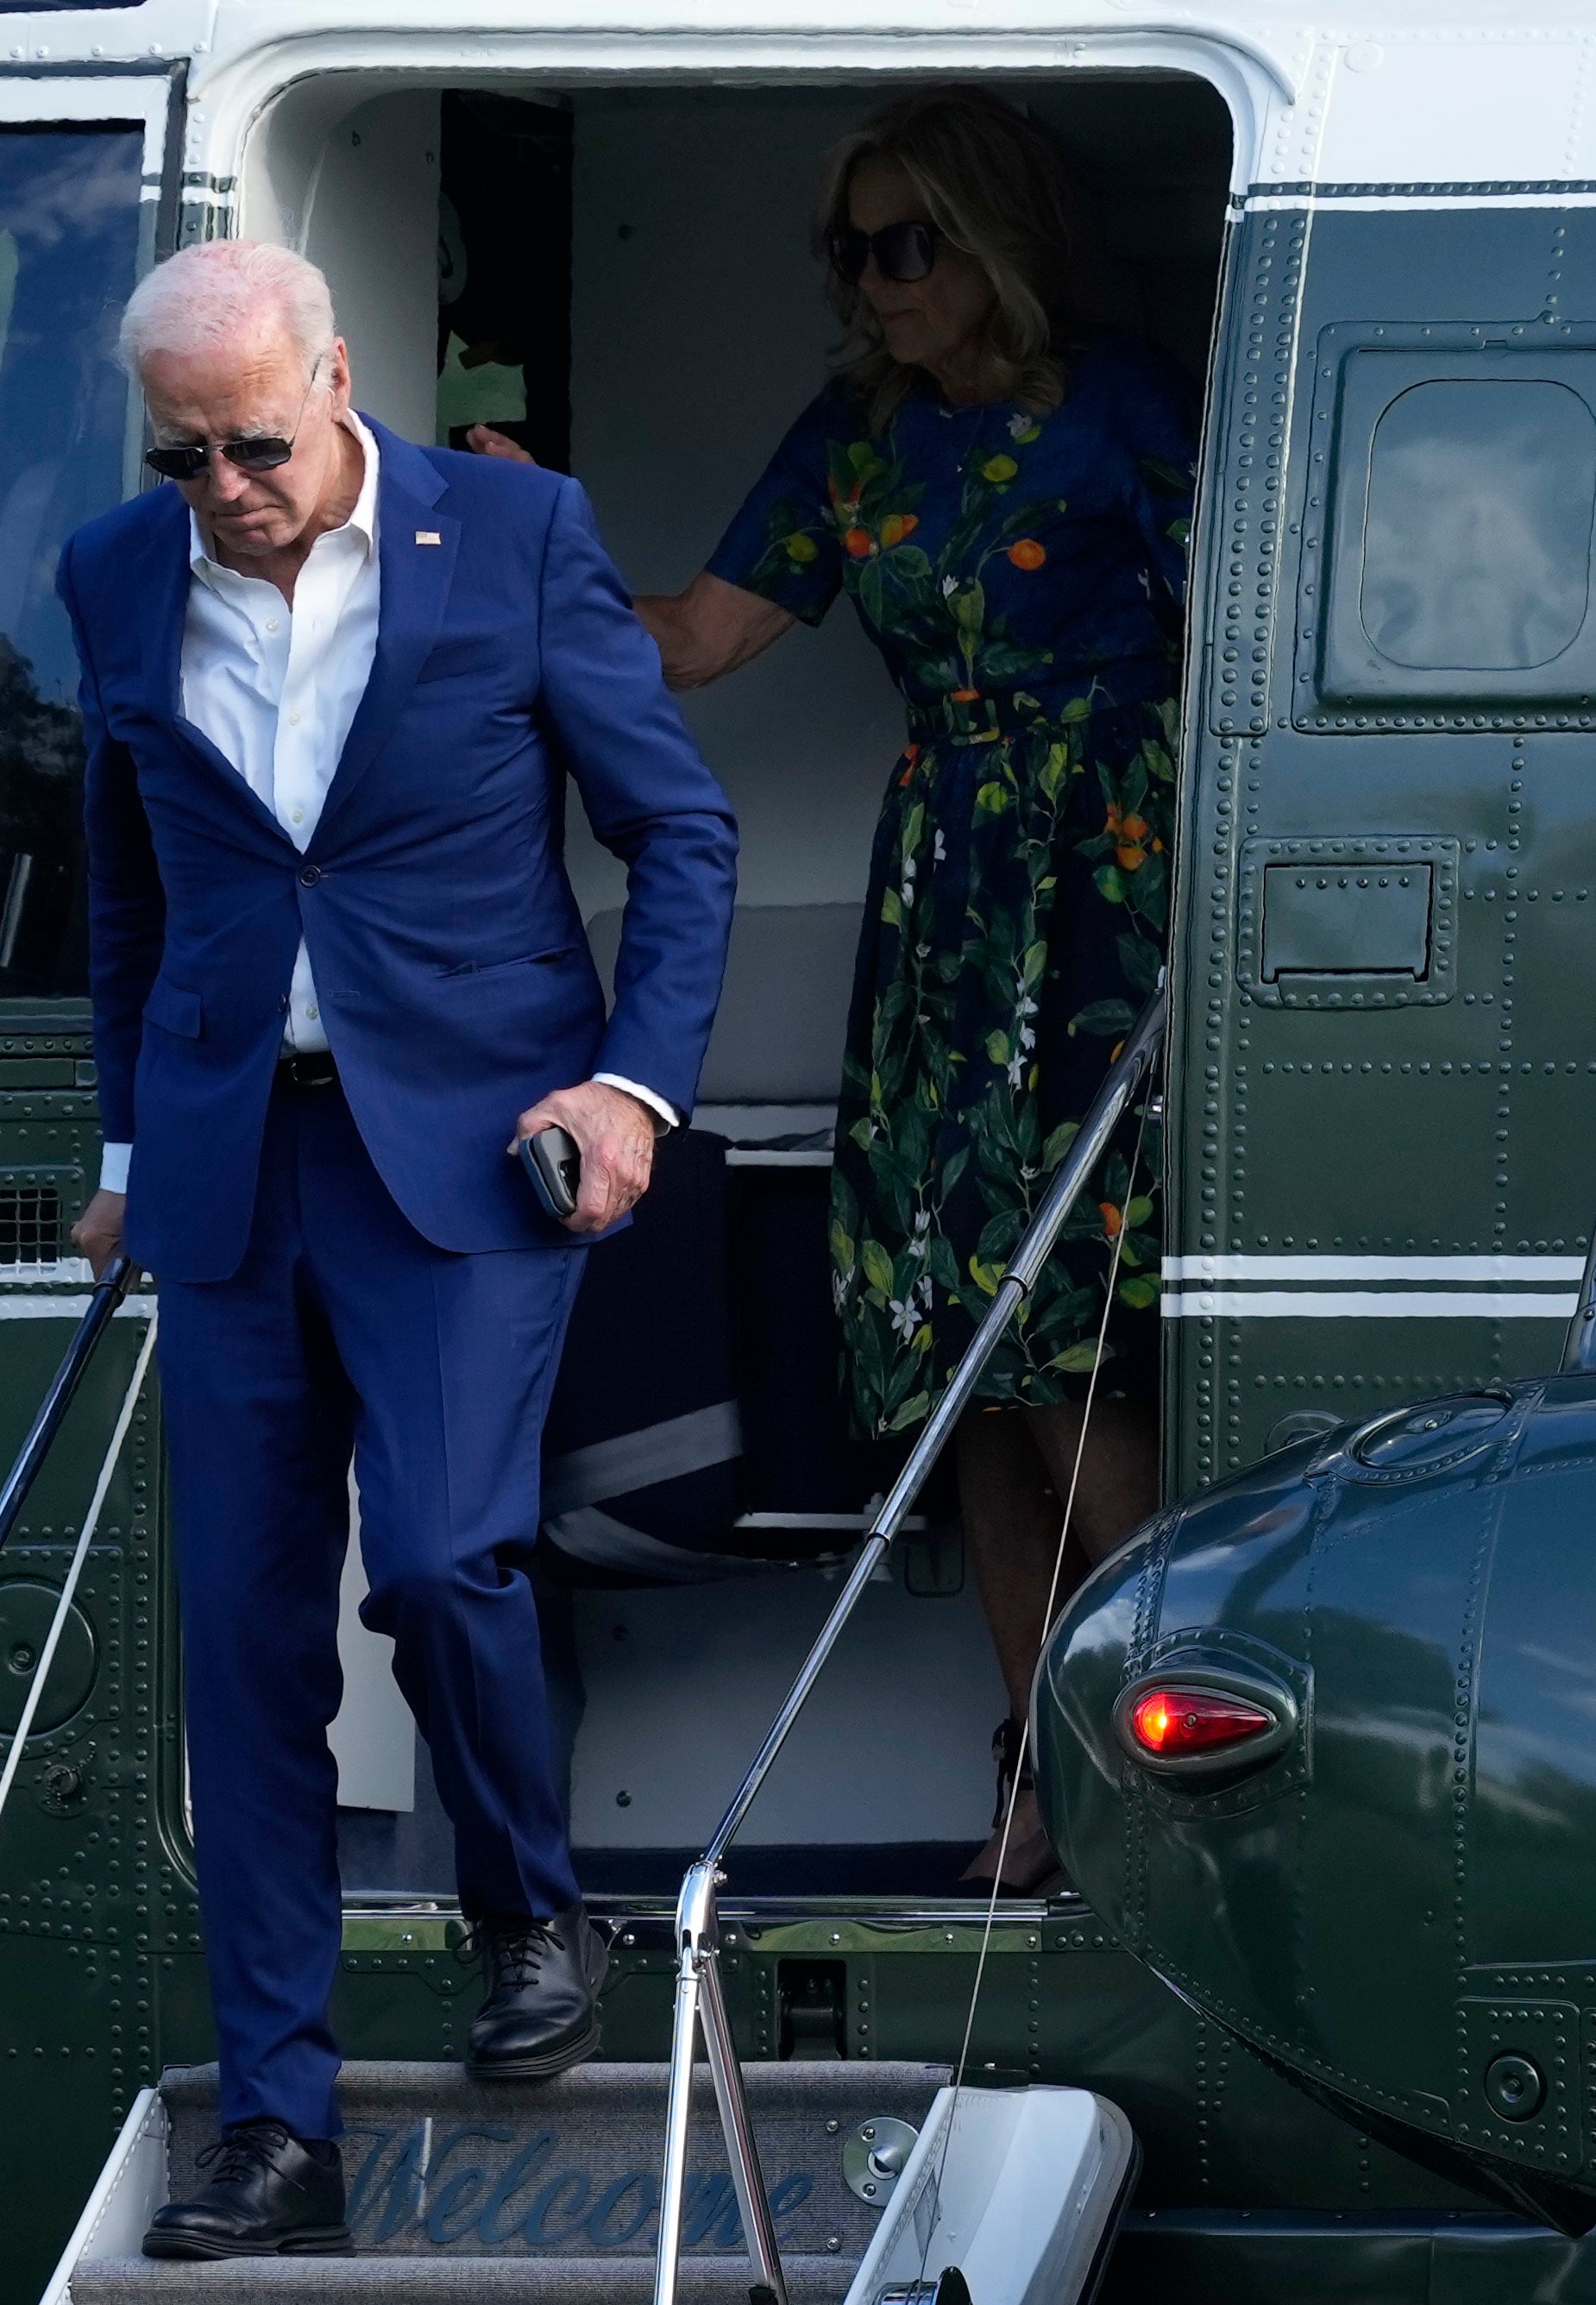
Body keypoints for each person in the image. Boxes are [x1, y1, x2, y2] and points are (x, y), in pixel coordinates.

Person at [67, 239, 735, 2257]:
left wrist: (633, 1090)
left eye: (254, 443)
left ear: (339, 381)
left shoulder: (516, 533)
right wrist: (119, 1139)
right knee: (244, 1652)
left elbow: (679, 832)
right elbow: (126, 884)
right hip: (223, 1166)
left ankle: (529, 1897)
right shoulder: (119, 572)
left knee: (445, 1558)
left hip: (465, 1152)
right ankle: (278, 2123)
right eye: (183, 456)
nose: (225, 488)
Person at [473, 89, 1188, 1892]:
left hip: (1103, 884)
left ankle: (1174, 1773)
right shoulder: (860, 436)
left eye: (900, 244)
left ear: (989, 236)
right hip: (946, 891)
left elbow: (1235, 649)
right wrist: (522, 538)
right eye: (847, 251)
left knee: (1069, 1341)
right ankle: (1038, 1776)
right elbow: (699, 639)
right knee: (955, 1343)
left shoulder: (1118, 402)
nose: (868, 286)